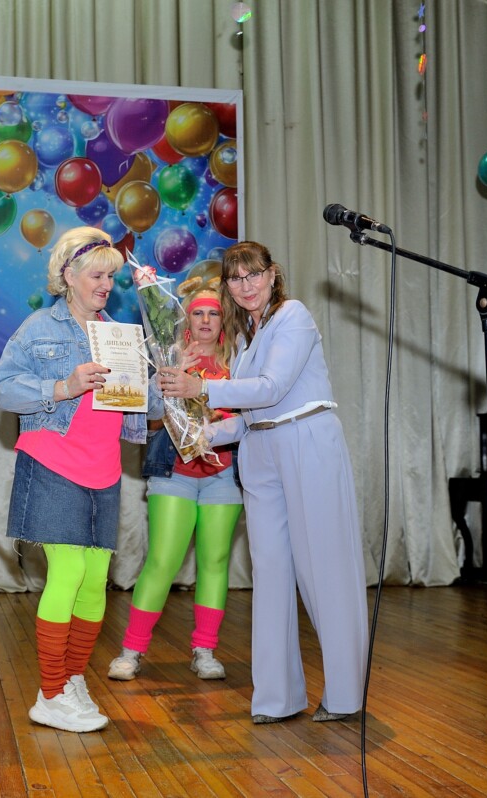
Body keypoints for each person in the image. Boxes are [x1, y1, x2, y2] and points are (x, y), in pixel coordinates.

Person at [158, 240, 368, 724]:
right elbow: (253, 414)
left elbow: (272, 389)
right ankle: (277, 697)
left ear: (273, 275)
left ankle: (345, 695)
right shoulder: (246, 339)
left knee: (323, 568)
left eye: (254, 274)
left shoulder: (293, 316)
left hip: (306, 440)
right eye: (235, 278)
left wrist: (201, 387)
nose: (246, 285)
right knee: (270, 574)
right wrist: (205, 434)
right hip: (261, 449)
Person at [0, 226, 158, 733]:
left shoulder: (121, 334)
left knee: (94, 581)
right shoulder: (39, 327)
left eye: (111, 277)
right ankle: (50, 694)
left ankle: (71, 678)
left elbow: (143, 408)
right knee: (67, 573)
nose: (106, 285)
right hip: (52, 462)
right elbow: (5, 390)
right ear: (68, 275)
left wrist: (169, 380)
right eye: (96, 275)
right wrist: (63, 385)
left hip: (104, 470)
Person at [108, 285, 243, 682]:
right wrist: (168, 373)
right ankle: (131, 651)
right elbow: (148, 417)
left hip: (224, 476)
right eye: (198, 313)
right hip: (174, 473)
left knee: (215, 563)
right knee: (162, 561)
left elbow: (253, 413)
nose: (206, 320)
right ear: (187, 319)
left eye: (213, 313)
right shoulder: (168, 356)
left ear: (223, 320)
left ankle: (205, 650)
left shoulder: (239, 361)